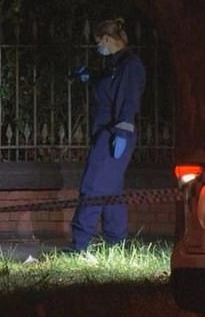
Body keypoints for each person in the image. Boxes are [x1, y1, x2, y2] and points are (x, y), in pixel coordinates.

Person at [70, 18, 146, 252]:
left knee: (92, 187)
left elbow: (128, 99)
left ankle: (80, 245)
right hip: (105, 133)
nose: (97, 47)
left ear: (106, 39)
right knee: (110, 191)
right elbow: (108, 86)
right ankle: (116, 243)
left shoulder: (130, 65)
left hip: (115, 133)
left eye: (98, 42)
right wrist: (91, 76)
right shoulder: (114, 65)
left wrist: (122, 131)